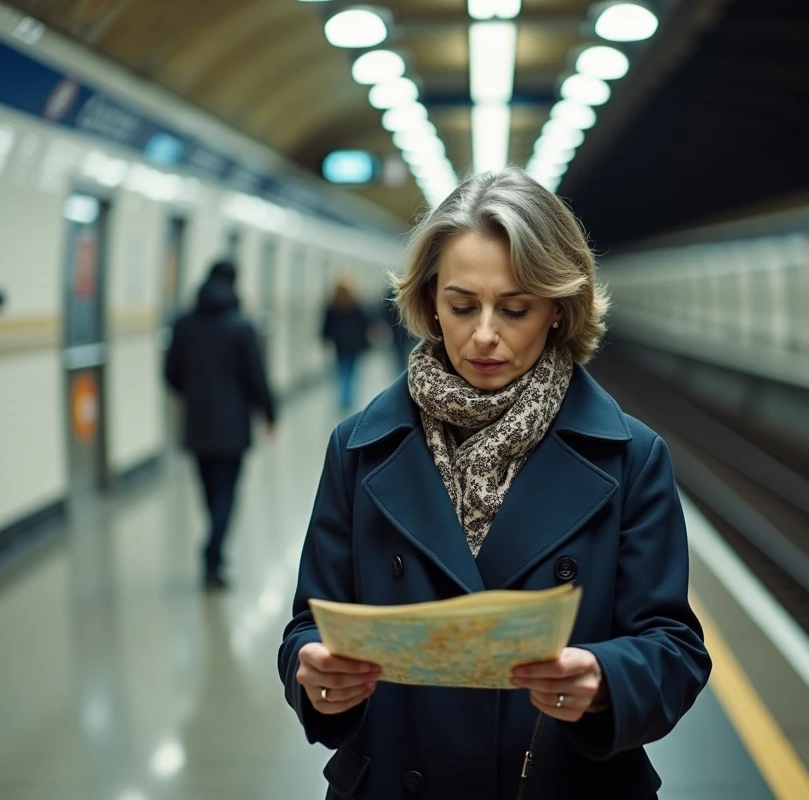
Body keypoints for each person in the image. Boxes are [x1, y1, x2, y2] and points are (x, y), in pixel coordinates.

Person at [277, 167, 711, 799]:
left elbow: (674, 647)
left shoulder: (631, 457)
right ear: (429, 303)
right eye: (461, 306)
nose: (484, 334)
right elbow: (306, 626)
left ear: (559, 311)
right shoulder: (360, 448)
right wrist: (311, 674)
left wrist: (604, 679)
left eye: (514, 309)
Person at [165, 260, 276, 591]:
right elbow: (256, 376)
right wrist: (268, 413)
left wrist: (194, 393)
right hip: (232, 426)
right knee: (226, 492)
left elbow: (170, 374)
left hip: (197, 424)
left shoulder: (184, 324)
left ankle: (213, 551)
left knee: (209, 492)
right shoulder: (242, 326)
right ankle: (213, 555)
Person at [321, 274, 370, 412]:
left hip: (339, 344)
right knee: (352, 372)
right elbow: (364, 323)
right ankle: (349, 399)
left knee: (342, 370)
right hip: (354, 344)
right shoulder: (355, 303)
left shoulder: (332, 304)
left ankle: (342, 399)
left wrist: (324, 338)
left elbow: (327, 325)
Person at [381, 284, 415, 372]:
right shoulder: (407, 294)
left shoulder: (389, 295)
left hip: (400, 331)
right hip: (404, 331)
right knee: (404, 353)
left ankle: (404, 371)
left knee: (401, 354)